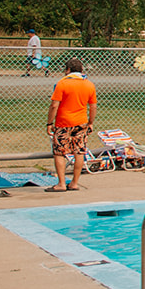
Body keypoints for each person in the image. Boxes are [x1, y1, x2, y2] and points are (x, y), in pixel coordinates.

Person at [46, 58, 97, 192]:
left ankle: (61, 183)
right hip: (81, 122)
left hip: (63, 122)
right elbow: (93, 106)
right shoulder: (89, 85)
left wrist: (49, 123)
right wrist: (90, 122)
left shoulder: (62, 84)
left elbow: (54, 105)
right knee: (79, 151)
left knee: (59, 153)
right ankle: (74, 182)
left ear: (68, 70)